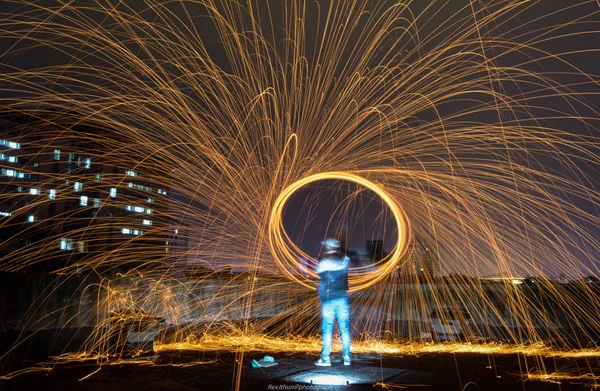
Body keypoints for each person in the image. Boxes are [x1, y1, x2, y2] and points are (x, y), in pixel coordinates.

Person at [315, 238, 351, 366]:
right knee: (345, 329)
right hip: (343, 298)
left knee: (327, 330)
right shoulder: (345, 261)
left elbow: (318, 272)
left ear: (328, 248)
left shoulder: (324, 263)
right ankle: (347, 357)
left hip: (329, 300)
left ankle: (325, 358)